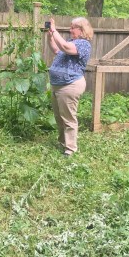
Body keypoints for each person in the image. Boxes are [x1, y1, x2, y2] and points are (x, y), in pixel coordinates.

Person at [47, 17, 93, 157]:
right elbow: (57, 49)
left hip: (70, 84)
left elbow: (65, 48)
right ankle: (63, 142)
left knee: (68, 118)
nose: (70, 29)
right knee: (59, 117)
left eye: (73, 27)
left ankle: (70, 148)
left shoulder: (84, 44)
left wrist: (55, 30)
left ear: (82, 30)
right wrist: (50, 37)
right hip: (58, 85)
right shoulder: (71, 42)